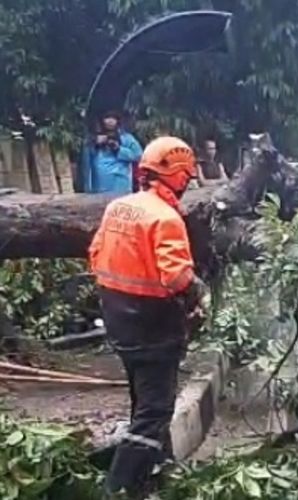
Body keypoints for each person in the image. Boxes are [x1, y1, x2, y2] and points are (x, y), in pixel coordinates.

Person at [89, 136, 205, 499]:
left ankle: (150, 474)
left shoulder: (119, 207)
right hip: (152, 327)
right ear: (179, 176)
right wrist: (198, 292)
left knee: (143, 400)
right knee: (154, 412)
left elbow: (95, 253)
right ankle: (119, 488)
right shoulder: (165, 218)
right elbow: (175, 276)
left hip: (117, 320)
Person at [80, 111, 143, 194]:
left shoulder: (126, 138)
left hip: (120, 183)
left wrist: (119, 149)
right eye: (107, 118)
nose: (110, 121)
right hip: (99, 185)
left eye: (113, 118)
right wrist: (95, 143)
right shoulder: (93, 138)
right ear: (101, 120)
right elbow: (86, 161)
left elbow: (138, 155)